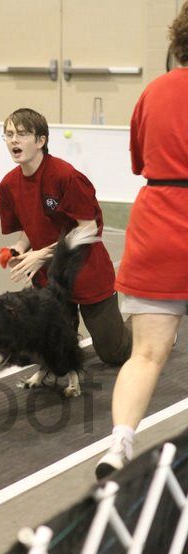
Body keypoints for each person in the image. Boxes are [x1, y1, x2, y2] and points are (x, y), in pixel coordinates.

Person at [95, 2, 188, 479]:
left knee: (146, 355)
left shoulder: (154, 91)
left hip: (157, 228)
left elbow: (139, 161)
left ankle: (119, 445)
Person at [0, 107, 131, 367]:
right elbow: (29, 225)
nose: (14, 139)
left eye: (22, 134)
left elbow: (89, 229)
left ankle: (146, 327)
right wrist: (19, 248)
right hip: (50, 278)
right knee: (57, 347)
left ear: (40, 141)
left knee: (114, 354)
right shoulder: (8, 185)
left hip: (86, 272)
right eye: (9, 134)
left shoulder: (65, 176)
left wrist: (42, 253)